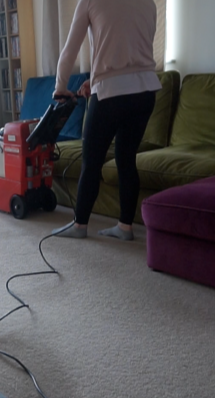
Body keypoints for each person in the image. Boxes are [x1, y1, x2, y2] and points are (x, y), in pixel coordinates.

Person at [51, 0, 161, 241]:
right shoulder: (149, 2)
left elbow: (70, 50)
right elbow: (132, 49)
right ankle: (125, 227)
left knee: (91, 161)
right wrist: (96, 79)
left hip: (110, 95)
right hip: (145, 91)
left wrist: (60, 88)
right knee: (126, 159)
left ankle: (79, 225)